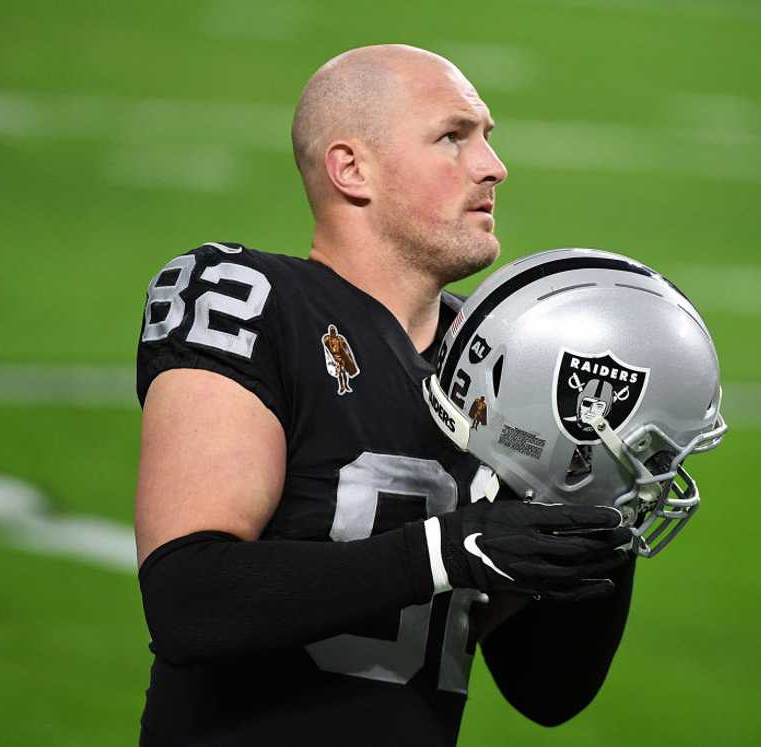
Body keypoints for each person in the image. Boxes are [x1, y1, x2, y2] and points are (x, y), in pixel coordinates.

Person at [133, 44, 637, 746]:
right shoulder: (252, 300)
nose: (493, 166)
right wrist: (444, 551)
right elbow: (191, 598)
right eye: (453, 137)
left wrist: (603, 500)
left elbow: (546, 690)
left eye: (487, 138)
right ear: (351, 168)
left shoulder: (504, 364)